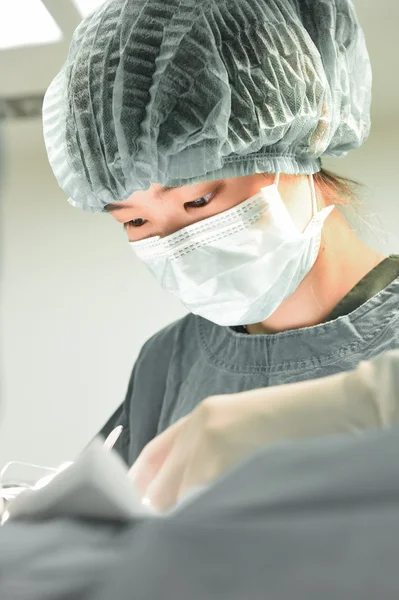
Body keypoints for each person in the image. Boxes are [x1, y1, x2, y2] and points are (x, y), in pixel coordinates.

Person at [41, 0, 399, 511]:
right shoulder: (168, 363)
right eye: (134, 221)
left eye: (198, 199)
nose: (176, 242)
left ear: (295, 136)